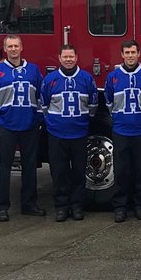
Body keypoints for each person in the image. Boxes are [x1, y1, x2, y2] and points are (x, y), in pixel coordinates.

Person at [0, 35, 47, 222]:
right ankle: (2, 207)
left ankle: (29, 204)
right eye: (9, 46)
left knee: (29, 166)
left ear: (22, 48)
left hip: (29, 125)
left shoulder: (33, 70)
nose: (13, 49)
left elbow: (41, 95)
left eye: (16, 46)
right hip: (6, 127)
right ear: (4, 49)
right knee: (4, 167)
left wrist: (38, 117)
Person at [40, 45, 98, 222]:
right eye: (65, 57)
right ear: (59, 58)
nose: (68, 59)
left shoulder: (87, 79)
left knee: (79, 173)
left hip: (79, 134)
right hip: (57, 135)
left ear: (76, 57)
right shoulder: (50, 80)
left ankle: (77, 207)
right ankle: (61, 207)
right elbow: (44, 105)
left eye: (71, 56)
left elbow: (93, 106)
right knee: (59, 173)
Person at [103, 40, 141, 223]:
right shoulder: (113, 77)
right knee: (121, 171)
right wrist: (119, 119)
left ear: (139, 53)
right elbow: (109, 102)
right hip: (121, 131)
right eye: (127, 52)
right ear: (122, 55)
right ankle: (120, 207)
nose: (130, 56)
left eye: (133, 52)